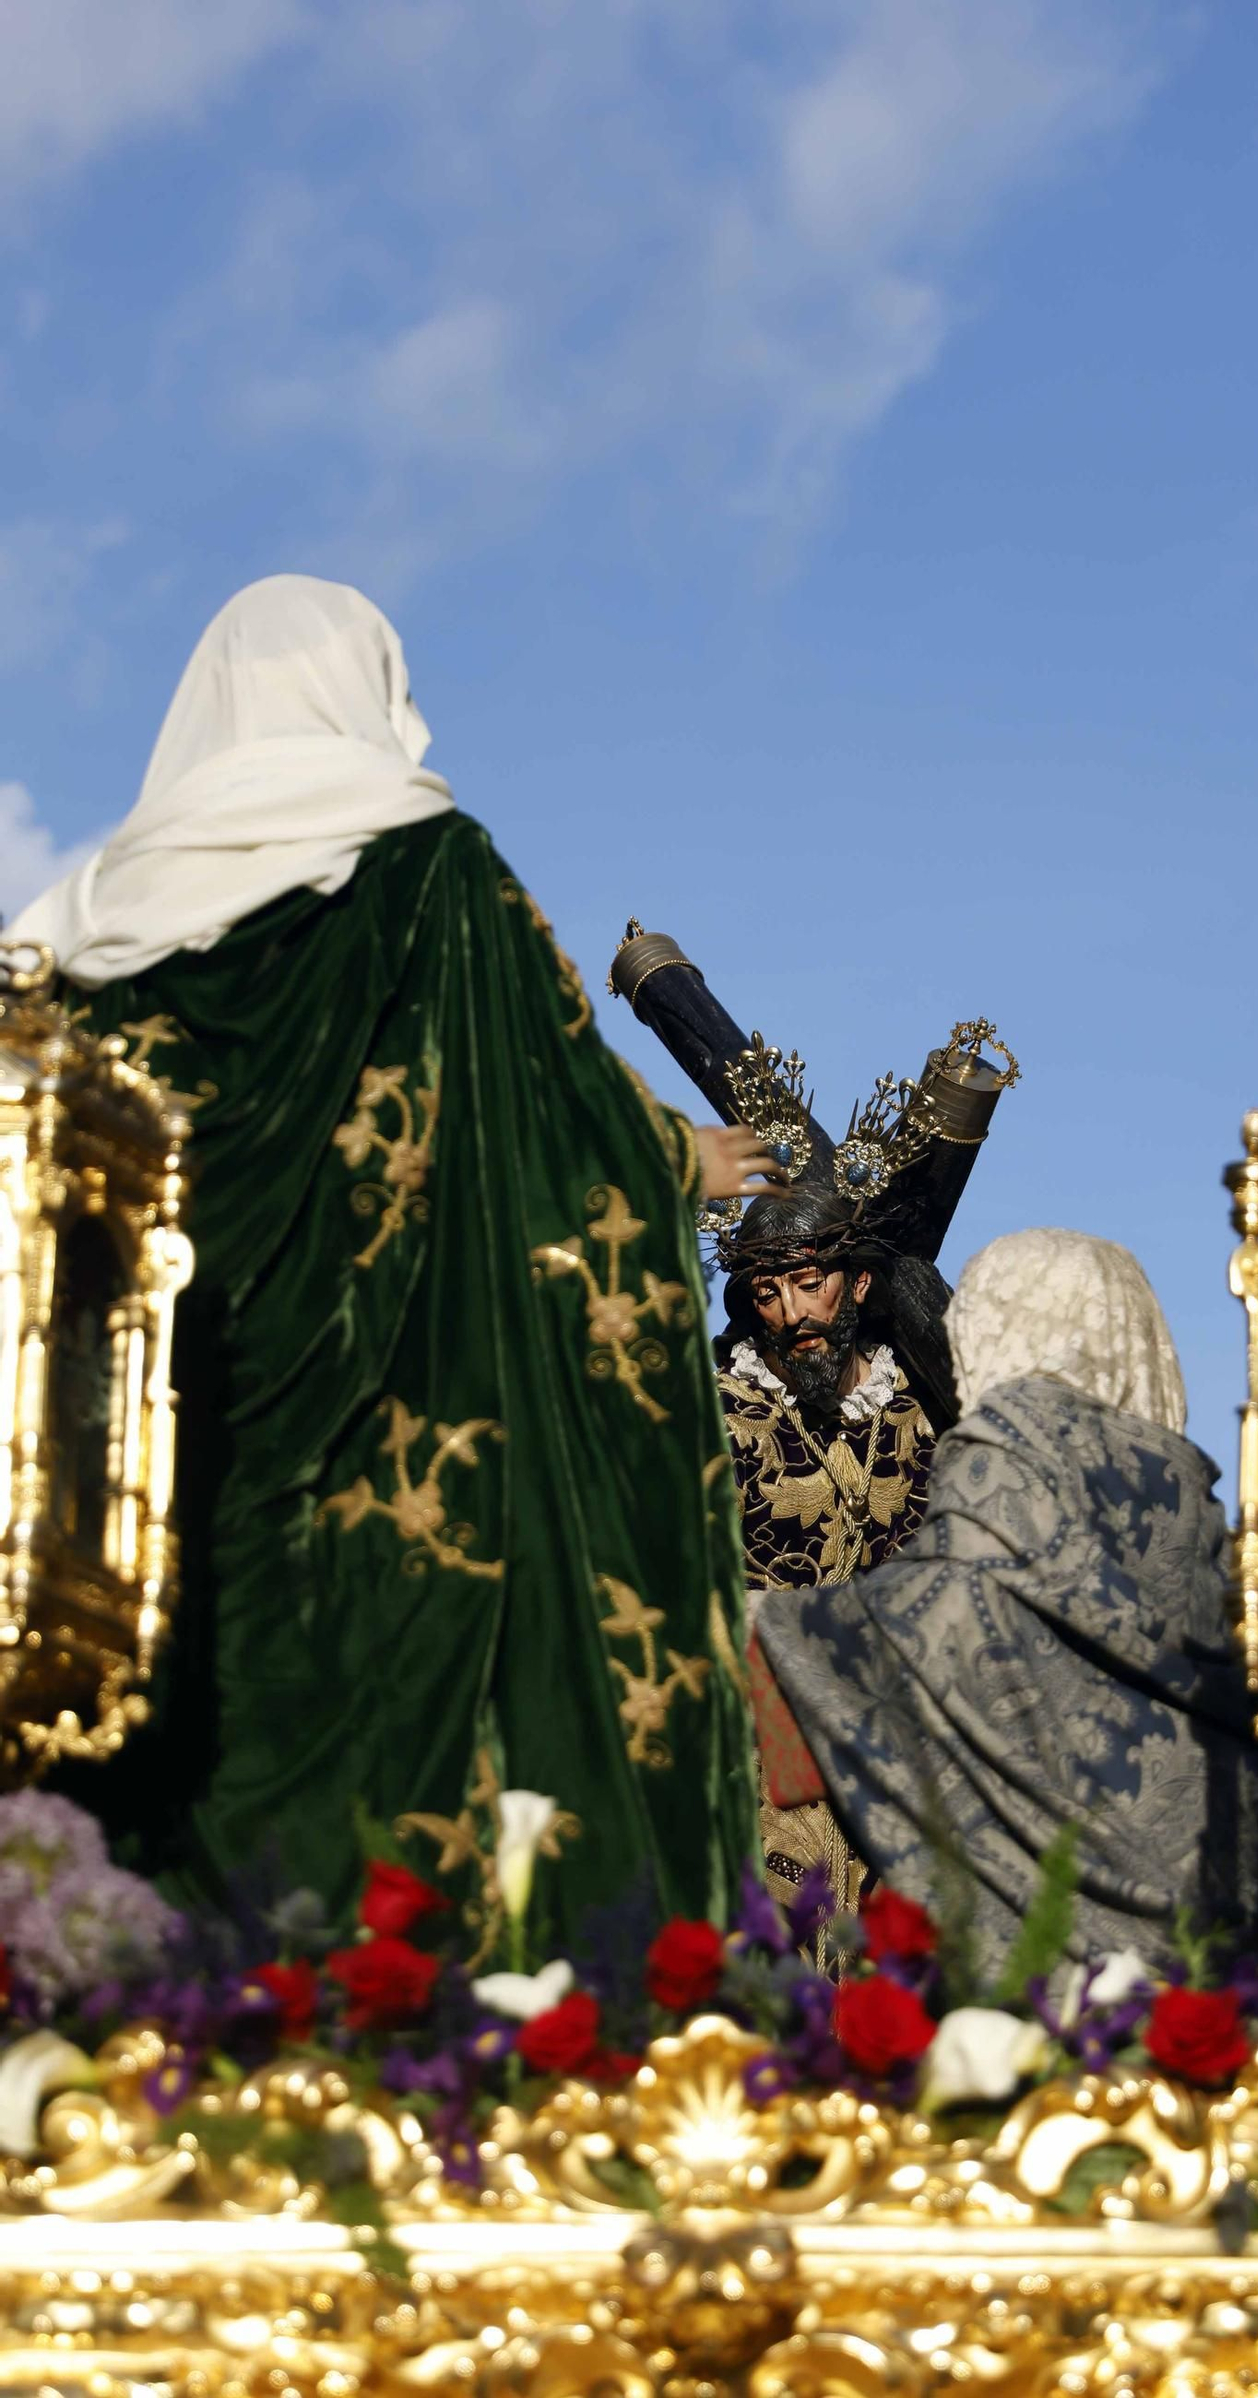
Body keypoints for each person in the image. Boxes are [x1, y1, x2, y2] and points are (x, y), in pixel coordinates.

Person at [13, 573, 776, 1942]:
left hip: (154, 1471)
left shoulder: (81, 932)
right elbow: (554, 1109)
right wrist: (677, 1160)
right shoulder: (431, 870)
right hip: (402, 1467)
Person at [755, 1228, 1258, 1977]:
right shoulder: (1229, 1571)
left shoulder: (988, 1540)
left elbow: (828, 1654)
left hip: (1035, 2013)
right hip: (1232, 2002)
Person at [716, 1190, 936, 1909]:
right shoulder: (714, 1415)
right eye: (768, 1294)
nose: (792, 1313)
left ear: (859, 1282)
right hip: (761, 1744)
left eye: (810, 1284)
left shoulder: (923, 1415)